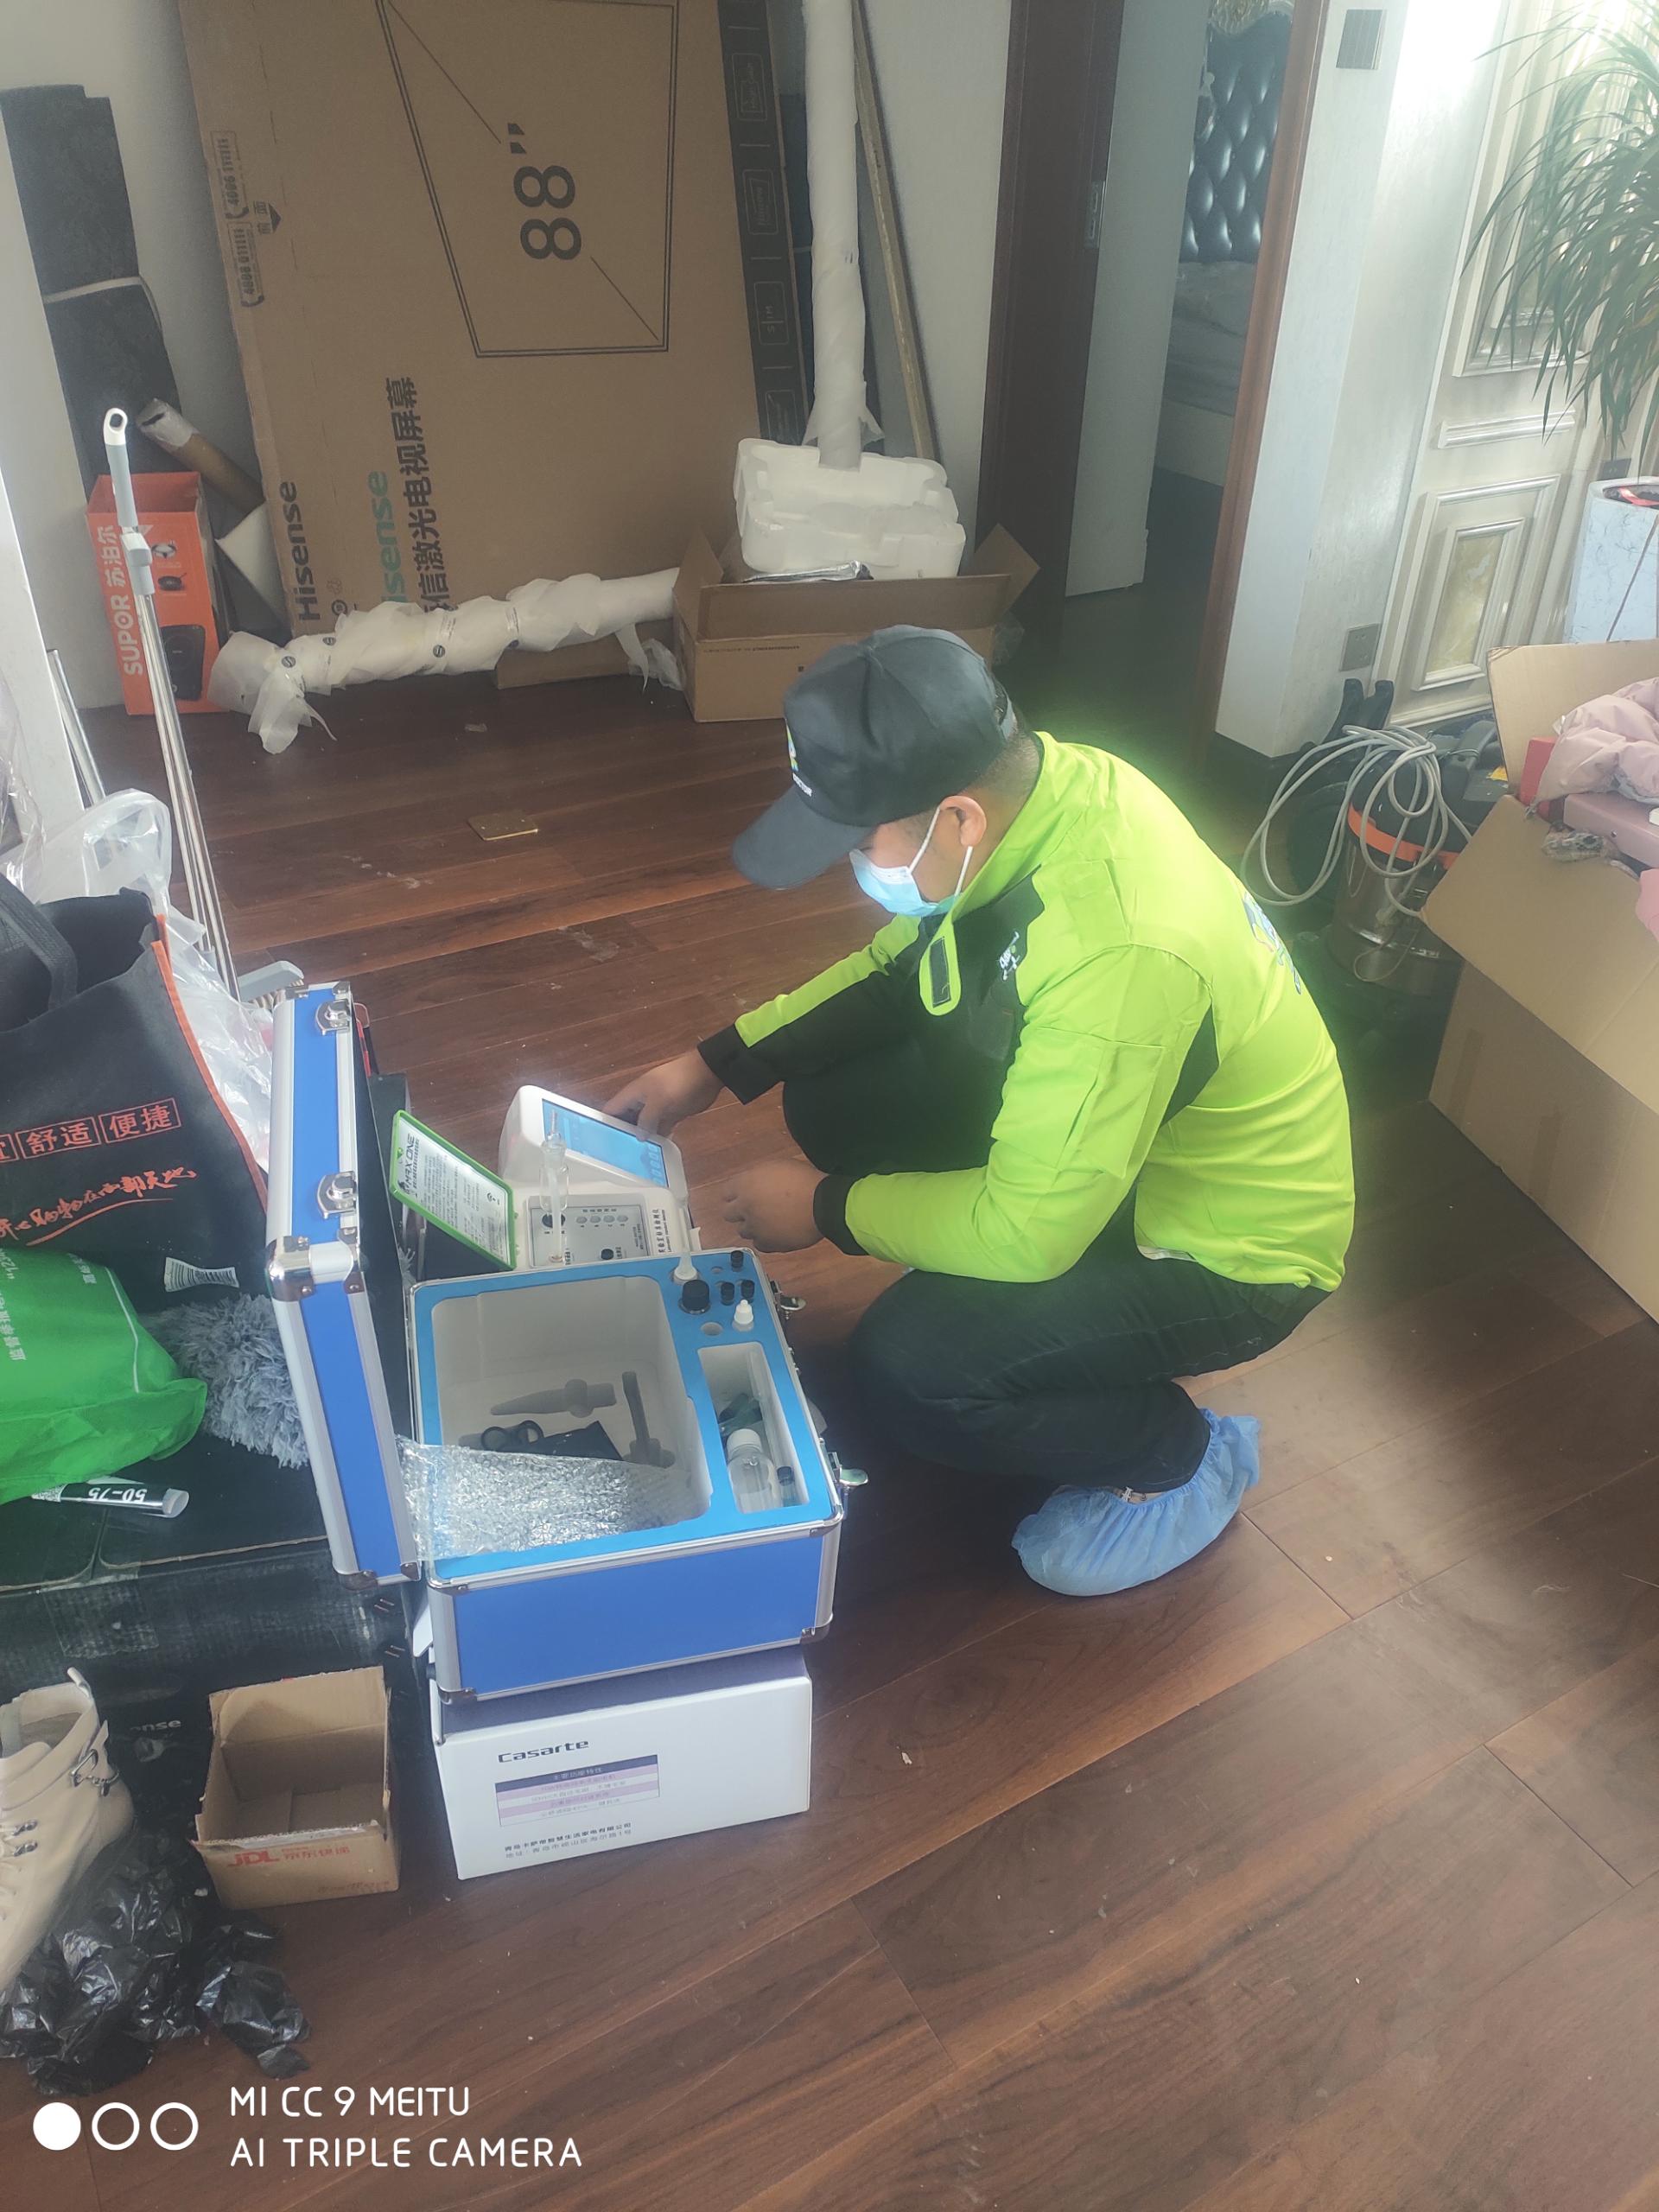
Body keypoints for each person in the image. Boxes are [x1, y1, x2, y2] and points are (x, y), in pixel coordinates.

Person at [607, 626, 1353, 1595]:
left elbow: (1033, 1230)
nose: (854, 866)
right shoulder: (1044, 794)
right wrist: (711, 1063)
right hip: (1125, 1138)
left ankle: (1171, 1450)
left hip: (1225, 1249)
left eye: (862, 841)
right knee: (838, 1097)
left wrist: (826, 1208)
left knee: (913, 1370)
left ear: (957, 817)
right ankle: (1016, 1310)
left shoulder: (1119, 953)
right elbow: (901, 968)